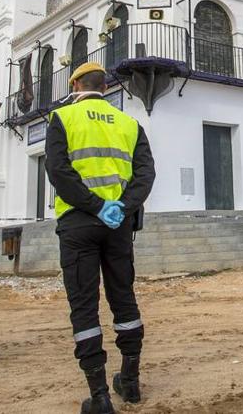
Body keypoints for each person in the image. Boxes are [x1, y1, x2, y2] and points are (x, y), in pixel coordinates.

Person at [46, 62, 155, 414]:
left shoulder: (62, 119)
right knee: (124, 298)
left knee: (84, 305)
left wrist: (94, 206)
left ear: (75, 84)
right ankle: (131, 382)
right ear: (105, 87)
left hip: (78, 223)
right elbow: (145, 174)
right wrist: (120, 208)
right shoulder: (130, 123)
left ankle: (99, 396)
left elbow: (59, 172)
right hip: (118, 226)